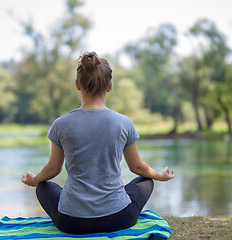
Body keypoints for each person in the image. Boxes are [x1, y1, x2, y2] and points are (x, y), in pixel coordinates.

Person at [22, 51, 175, 234]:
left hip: (71, 222)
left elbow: (53, 169)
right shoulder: (124, 122)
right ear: (110, 86)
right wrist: (159, 175)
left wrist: (34, 180)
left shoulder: (61, 124)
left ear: (77, 85)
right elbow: (138, 168)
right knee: (146, 180)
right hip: (119, 218)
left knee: (43, 187)